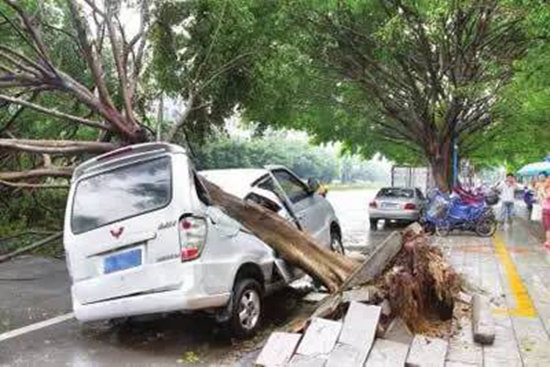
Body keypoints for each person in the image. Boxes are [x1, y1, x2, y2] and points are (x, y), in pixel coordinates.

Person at [542, 184, 550, 248]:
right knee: (547, 228)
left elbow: (548, 196)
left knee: (548, 228)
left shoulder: (547, 190)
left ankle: (548, 241)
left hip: (547, 210)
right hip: (545, 210)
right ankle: (548, 241)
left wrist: (543, 193)